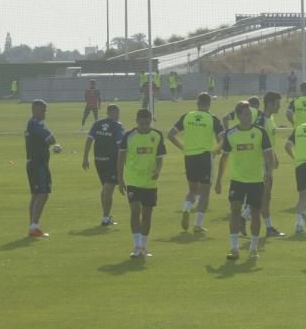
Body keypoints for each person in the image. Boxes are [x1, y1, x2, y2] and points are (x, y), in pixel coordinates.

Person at [215, 101, 274, 259]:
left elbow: (269, 155)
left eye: (250, 114)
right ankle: (234, 249)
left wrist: (269, 173)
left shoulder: (260, 132)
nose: (249, 117)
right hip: (238, 180)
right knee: (235, 211)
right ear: (239, 116)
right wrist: (219, 180)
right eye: (246, 114)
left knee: (255, 213)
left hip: (256, 180)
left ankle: (253, 248)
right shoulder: (231, 134)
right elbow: (224, 158)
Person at [168, 92, 224, 233]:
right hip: (205, 156)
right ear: (209, 104)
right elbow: (224, 138)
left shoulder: (187, 116)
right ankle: (198, 224)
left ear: (197, 103)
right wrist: (215, 150)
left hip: (189, 156)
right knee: (205, 192)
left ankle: (186, 208)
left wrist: (183, 148)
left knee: (192, 190)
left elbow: (170, 134)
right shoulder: (212, 118)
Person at [117, 108, 167, 258]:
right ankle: (136, 245)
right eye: (142, 123)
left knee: (147, 215)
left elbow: (159, 157)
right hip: (133, 181)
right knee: (135, 212)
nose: (145, 125)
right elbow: (121, 158)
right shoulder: (129, 136)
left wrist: (157, 170)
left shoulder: (157, 136)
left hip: (150, 183)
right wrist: (120, 179)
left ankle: (144, 246)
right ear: (137, 121)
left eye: (147, 123)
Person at [82, 104, 125, 226]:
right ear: (115, 113)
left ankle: (106, 216)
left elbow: (89, 139)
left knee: (105, 188)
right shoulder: (117, 126)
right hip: (112, 161)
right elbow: (121, 145)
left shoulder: (97, 123)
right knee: (108, 189)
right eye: (117, 113)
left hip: (98, 160)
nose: (118, 115)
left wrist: (85, 158)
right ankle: (105, 218)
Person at [254, 91, 284, 237]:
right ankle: (269, 228)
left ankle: (243, 218)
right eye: (278, 104)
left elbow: (269, 143)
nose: (279, 107)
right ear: (271, 103)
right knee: (264, 196)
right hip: (261, 164)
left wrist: (274, 157)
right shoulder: (261, 121)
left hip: (267, 162)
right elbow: (258, 143)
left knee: (265, 195)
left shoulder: (270, 118)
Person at [24, 99, 56, 238]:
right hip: (39, 164)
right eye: (43, 110)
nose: (44, 113)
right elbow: (51, 139)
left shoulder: (31, 124)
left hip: (32, 163)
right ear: (35, 109)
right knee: (43, 194)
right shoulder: (36, 123)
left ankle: (33, 226)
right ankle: (34, 226)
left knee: (36, 195)